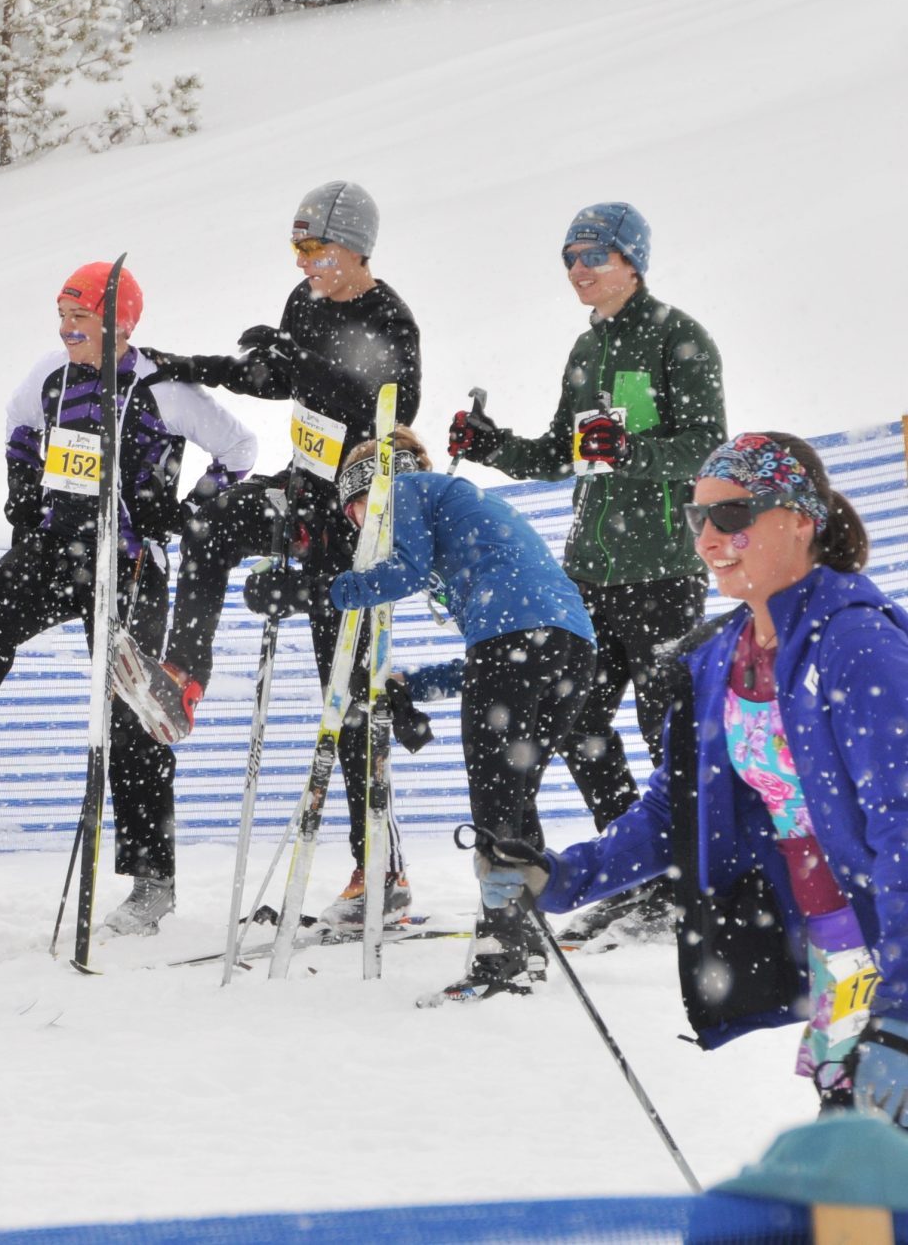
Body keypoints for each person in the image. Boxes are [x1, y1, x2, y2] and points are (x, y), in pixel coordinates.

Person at [477, 435, 905, 1117]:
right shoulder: (718, 656)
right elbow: (678, 808)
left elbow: (902, 824)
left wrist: (901, 1007)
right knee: (852, 1142)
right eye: (697, 516)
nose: (708, 538)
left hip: (892, 943)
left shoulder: (855, 642)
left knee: (869, 1146)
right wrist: (561, 877)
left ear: (801, 518)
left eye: (732, 515)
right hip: (838, 943)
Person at [0, 260, 255, 936]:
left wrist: (188, 510)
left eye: (80, 317)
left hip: (131, 561)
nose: (67, 329)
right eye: (63, 316)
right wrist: (22, 486)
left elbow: (240, 447)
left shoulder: (163, 387)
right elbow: (18, 422)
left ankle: (152, 882)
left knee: (132, 713)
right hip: (61, 546)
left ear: (119, 323)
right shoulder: (49, 374)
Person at [145, 179, 424, 927]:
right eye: (297, 249)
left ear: (354, 249)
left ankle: (382, 872)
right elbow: (274, 378)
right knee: (209, 524)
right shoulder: (305, 301)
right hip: (299, 490)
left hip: (354, 516)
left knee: (349, 695)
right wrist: (194, 365)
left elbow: (387, 412)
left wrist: (300, 360)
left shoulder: (390, 321)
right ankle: (184, 677)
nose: (304, 263)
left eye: (316, 249)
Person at [446, 202, 725, 945]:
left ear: (632, 260)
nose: (578, 269)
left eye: (593, 255)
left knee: (668, 734)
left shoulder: (679, 338)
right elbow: (561, 454)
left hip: (662, 571)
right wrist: (493, 445)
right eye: (569, 257)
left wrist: (630, 450)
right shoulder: (585, 349)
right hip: (590, 578)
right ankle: (643, 878)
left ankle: (689, 886)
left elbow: (708, 448)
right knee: (578, 724)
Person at [320, 429, 597, 1003]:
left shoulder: (404, 489)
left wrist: (334, 591)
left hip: (514, 640)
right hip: (572, 649)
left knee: (496, 805)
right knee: (516, 801)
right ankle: (526, 942)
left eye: (353, 514)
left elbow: (407, 575)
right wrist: (415, 684)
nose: (357, 529)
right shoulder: (459, 507)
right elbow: (497, 651)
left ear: (365, 493)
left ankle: (502, 955)